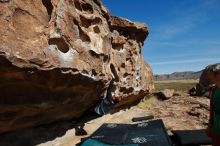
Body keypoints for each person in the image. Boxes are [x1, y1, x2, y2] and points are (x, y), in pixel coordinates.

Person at [206, 64, 220, 146]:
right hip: (216, 129)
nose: (208, 77)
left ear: (218, 74)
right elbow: (212, 109)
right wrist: (209, 125)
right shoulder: (214, 90)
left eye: (210, 74)